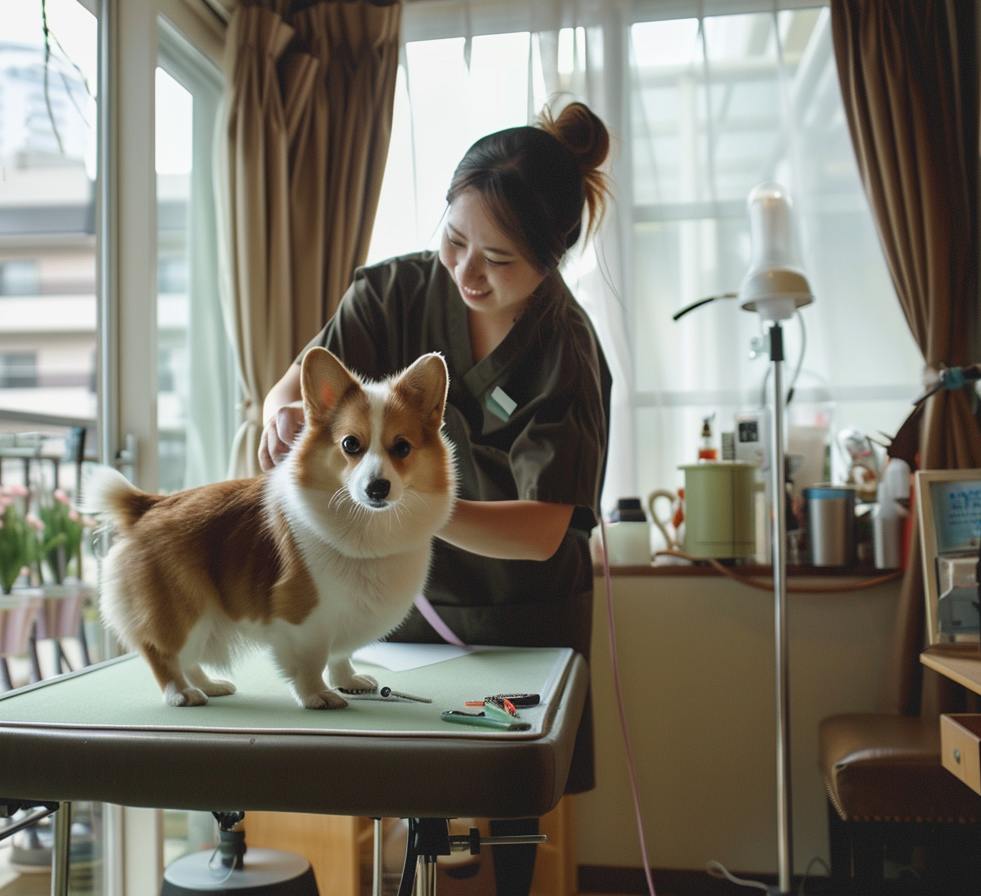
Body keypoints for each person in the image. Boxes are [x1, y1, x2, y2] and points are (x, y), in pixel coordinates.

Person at [259, 101, 612, 896]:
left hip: (523, 612)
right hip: (401, 600)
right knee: (416, 797)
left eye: (499, 259)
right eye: (454, 240)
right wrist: (282, 414)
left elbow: (542, 531)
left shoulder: (566, 352)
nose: (466, 273)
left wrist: (417, 507)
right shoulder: (393, 292)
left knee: (510, 807)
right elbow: (303, 383)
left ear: (551, 261)